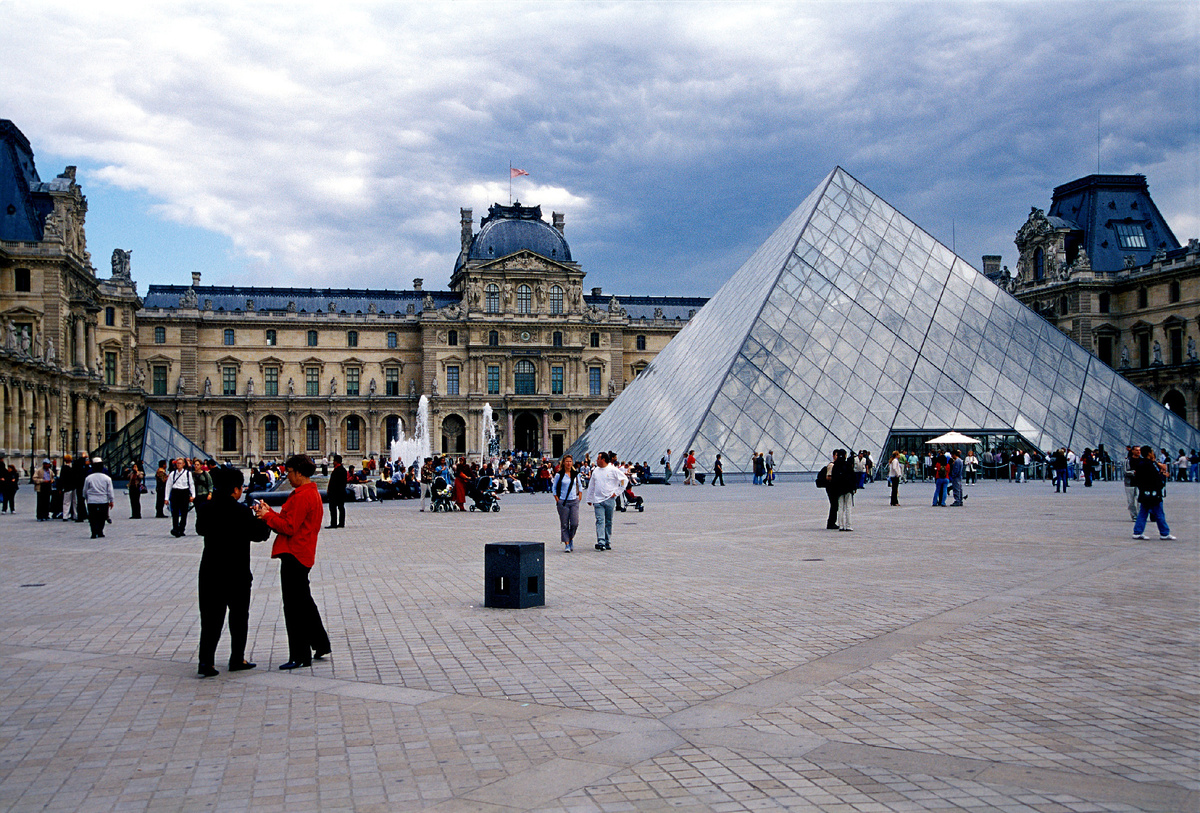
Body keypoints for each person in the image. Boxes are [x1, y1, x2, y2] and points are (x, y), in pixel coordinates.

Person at [252, 454, 332, 670]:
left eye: (289, 471)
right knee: (304, 601)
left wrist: (267, 516)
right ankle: (320, 643)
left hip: (294, 553)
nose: (287, 475)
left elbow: (288, 527)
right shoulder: (310, 492)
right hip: (303, 552)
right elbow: (291, 520)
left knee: (293, 607)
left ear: (298, 472)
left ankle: (300, 654)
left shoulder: (301, 496)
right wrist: (270, 512)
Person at [195, 467, 271, 678]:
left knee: (210, 618)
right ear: (236, 489)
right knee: (238, 617)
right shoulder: (241, 512)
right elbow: (260, 535)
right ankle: (237, 658)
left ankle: (206, 661)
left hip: (210, 571)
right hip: (236, 573)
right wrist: (261, 518)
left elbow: (200, 529)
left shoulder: (205, 508)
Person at [1131, 445, 1175, 540]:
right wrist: (1164, 476)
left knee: (1143, 512)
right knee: (1159, 513)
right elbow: (1156, 479)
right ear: (1149, 453)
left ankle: (1137, 532)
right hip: (1154, 493)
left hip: (1144, 493)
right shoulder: (1151, 464)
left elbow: (1138, 478)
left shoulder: (1140, 464)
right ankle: (1164, 533)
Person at [584, 451, 627, 551]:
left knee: (608, 521)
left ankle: (607, 541)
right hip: (598, 500)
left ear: (603, 459)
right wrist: (589, 498)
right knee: (600, 520)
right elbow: (591, 485)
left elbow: (624, 480)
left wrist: (617, 492)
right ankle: (601, 541)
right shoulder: (595, 471)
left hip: (609, 499)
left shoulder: (613, 470)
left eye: (598, 458)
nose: (596, 460)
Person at [552, 455, 583, 552]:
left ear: (572, 463)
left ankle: (570, 538)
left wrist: (579, 497)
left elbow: (580, 486)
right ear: (563, 463)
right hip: (563, 502)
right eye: (567, 461)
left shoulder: (576, 474)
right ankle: (567, 544)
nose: (568, 463)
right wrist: (557, 499)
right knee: (564, 524)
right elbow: (554, 488)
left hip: (574, 501)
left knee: (575, 523)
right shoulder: (559, 475)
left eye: (570, 461)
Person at [82, 457, 115, 539]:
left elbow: (85, 490)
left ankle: (93, 532)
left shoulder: (88, 478)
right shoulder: (107, 478)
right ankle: (100, 531)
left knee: (92, 518)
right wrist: (111, 500)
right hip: (103, 500)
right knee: (102, 517)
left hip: (92, 500)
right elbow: (110, 491)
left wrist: (86, 497)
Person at [166, 458, 196, 537]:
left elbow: (191, 484)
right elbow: (168, 486)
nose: (178, 464)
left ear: (183, 464)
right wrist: (166, 498)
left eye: (180, 463)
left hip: (184, 493)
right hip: (175, 492)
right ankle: (175, 528)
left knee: (184, 512)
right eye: (177, 463)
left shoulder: (187, 473)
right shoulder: (172, 474)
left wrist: (193, 495)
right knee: (175, 512)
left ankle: (181, 528)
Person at [831, 449, 857, 531]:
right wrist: (854, 488)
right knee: (848, 507)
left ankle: (841, 525)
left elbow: (833, 479)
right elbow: (853, 477)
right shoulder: (848, 465)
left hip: (839, 489)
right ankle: (848, 525)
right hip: (848, 488)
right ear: (845, 455)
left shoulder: (835, 465)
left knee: (840, 507)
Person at [818, 451, 839, 529]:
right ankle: (831, 523)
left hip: (833, 487)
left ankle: (832, 522)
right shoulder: (831, 465)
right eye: (837, 455)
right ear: (833, 456)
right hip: (831, 488)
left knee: (835, 505)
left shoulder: (837, 465)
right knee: (834, 505)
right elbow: (828, 477)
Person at [326, 454, 347, 528]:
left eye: (333, 461)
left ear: (336, 461)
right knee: (341, 507)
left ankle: (333, 523)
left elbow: (334, 482)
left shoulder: (337, 470)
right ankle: (341, 523)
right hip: (341, 492)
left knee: (333, 508)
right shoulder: (343, 470)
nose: (333, 462)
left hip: (335, 492)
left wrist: (330, 490)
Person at [1123, 446, 1141, 521]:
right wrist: (1133, 472)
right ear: (1132, 451)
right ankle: (1134, 515)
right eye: (1136, 450)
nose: (1138, 452)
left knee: (1140, 500)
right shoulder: (1128, 461)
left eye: (1139, 450)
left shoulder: (1143, 460)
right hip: (1129, 483)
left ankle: (1140, 515)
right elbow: (1125, 471)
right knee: (1131, 501)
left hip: (1140, 483)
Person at [59, 454, 78, 522]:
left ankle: (65, 515)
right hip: (74, 486)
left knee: (66, 502)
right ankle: (75, 515)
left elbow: (61, 478)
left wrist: (60, 488)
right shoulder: (74, 467)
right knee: (74, 501)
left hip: (67, 487)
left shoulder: (64, 468)